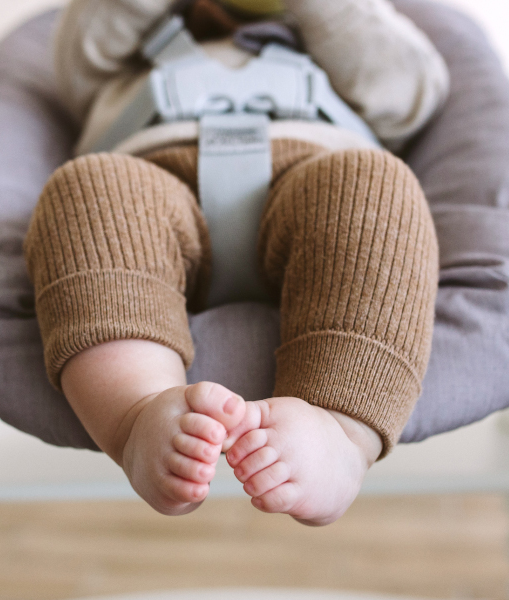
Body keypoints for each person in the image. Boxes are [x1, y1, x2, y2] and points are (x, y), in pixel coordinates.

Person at [23, 0, 448, 525]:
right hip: (152, 180)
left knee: (378, 186)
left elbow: (409, 99)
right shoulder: (134, 45)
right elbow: (77, 64)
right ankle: (136, 415)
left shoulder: (343, 33)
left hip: (314, 170)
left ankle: (339, 433)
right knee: (87, 187)